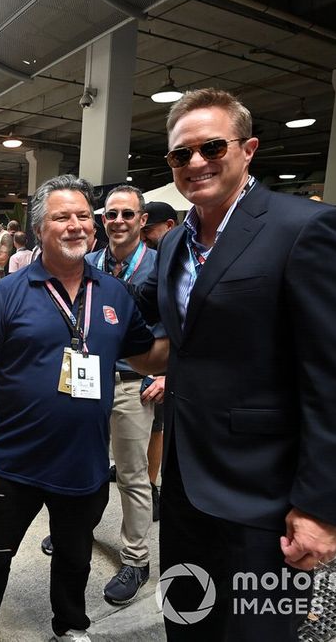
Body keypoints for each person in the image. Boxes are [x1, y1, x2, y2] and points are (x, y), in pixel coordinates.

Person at [133, 88, 336, 640]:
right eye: (181, 154)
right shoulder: (174, 245)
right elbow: (169, 331)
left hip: (264, 495)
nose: (196, 162)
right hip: (186, 484)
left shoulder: (308, 228)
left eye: (212, 147)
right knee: (187, 622)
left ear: (248, 150)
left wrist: (321, 507)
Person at [0, 174, 167, 642]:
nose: (76, 225)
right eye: (62, 217)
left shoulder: (113, 293)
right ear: (38, 229)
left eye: (83, 216)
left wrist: (192, 330)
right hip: (14, 460)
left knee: (75, 556)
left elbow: (144, 356)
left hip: (83, 462)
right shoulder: (8, 293)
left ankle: (70, 626)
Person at [84, 185, 165, 605]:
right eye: (111, 214)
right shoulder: (89, 263)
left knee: (133, 475)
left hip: (135, 383)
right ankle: (78, 529)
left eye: (127, 214)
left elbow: (181, 322)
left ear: (142, 219)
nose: (118, 221)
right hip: (86, 381)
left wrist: (166, 373)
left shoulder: (160, 265)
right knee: (85, 464)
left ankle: (136, 558)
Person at [138, 200, 178, 510]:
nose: (143, 235)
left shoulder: (169, 257)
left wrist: (167, 373)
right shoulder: (97, 259)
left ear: (169, 226)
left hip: (162, 362)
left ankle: (151, 485)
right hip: (128, 360)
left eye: (148, 229)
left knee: (157, 426)